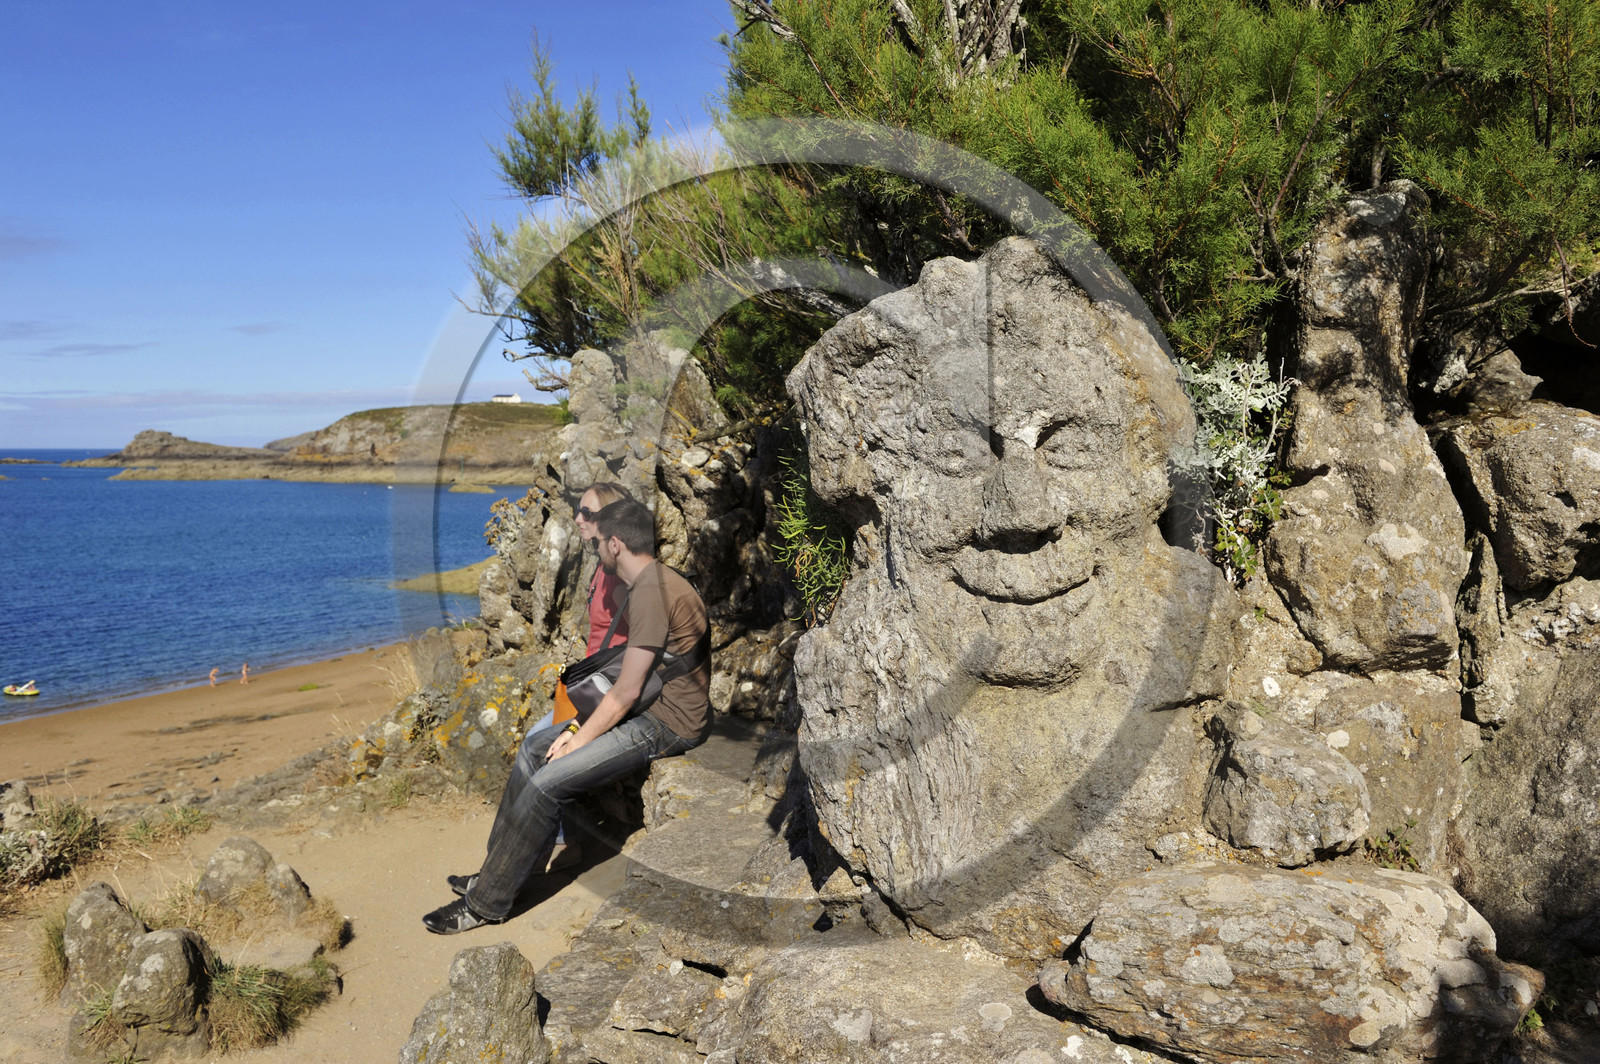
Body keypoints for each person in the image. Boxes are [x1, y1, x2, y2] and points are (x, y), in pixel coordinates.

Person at [422, 497, 711, 934]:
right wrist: (574, 729)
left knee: (548, 781)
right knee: (535, 747)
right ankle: (504, 871)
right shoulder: (651, 581)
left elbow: (627, 690)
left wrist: (577, 738)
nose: (594, 551)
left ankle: (486, 904)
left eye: (597, 544)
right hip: (650, 704)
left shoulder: (652, 593)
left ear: (616, 544)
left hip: (668, 722)